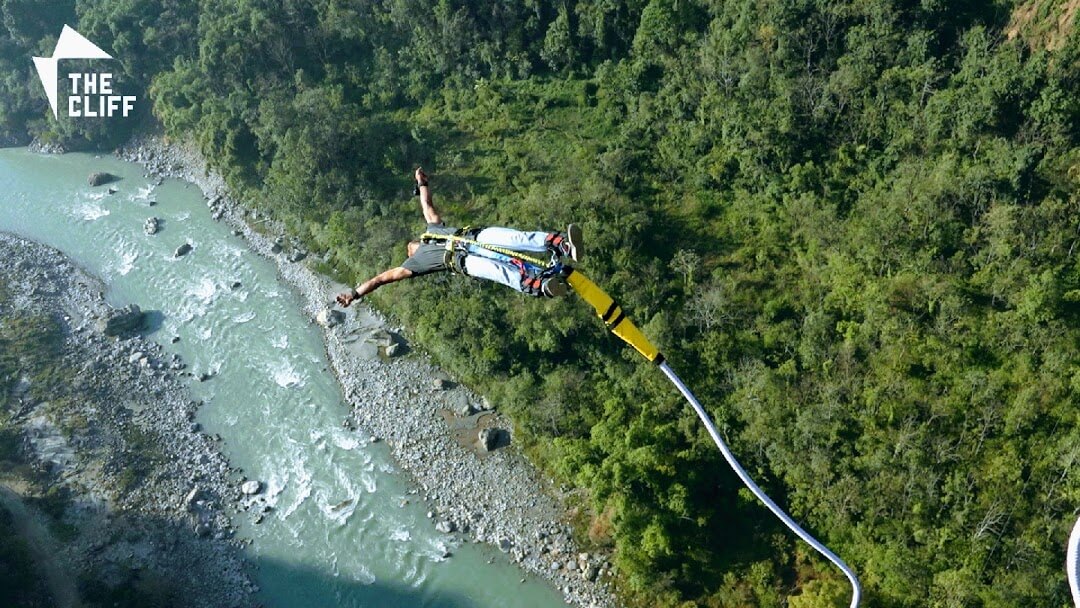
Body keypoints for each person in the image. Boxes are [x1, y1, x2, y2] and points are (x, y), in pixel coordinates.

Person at [336, 168, 582, 307]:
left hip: (474, 236)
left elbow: (426, 204)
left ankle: (560, 244)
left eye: (411, 243)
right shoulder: (415, 264)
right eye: (409, 248)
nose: (411, 246)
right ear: (411, 252)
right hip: (464, 261)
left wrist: (422, 183)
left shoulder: (432, 229)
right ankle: (539, 286)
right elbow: (381, 278)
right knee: (501, 271)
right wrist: (355, 294)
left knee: (516, 239)